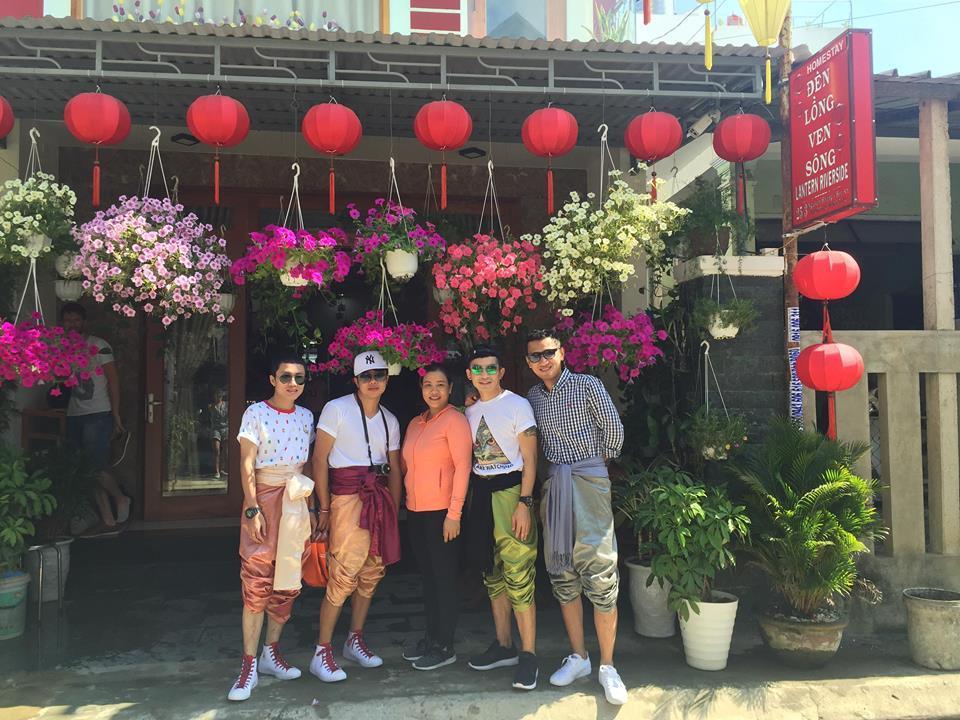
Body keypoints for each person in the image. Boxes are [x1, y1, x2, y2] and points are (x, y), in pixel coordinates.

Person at [525, 329, 628, 706]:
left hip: (589, 481)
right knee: (561, 567)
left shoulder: (586, 385)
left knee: (599, 565)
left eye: (548, 353)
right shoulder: (533, 397)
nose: (542, 360)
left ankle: (608, 665)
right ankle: (579, 657)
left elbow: (614, 431)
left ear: (562, 352)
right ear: (528, 362)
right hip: (555, 483)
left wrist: (593, 467)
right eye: (535, 356)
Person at [311, 350, 402, 682]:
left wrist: (395, 507)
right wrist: (321, 506)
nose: (373, 381)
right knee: (344, 572)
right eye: (366, 376)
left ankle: (355, 638)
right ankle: (322, 651)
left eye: (379, 375)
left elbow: (394, 469)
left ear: (387, 379)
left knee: (372, 572)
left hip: (377, 499)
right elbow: (319, 460)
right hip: (347, 498)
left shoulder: (390, 420)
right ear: (355, 380)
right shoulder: (336, 409)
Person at [229, 355, 316, 702]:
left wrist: (311, 508)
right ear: (272, 379)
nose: (292, 383)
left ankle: (270, 652)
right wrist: (252, 507)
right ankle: (248, 664)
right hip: (264, 500)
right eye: (285, 377)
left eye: (299, 378)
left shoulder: (307, 416)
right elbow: (246, 461)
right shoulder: (256, 414)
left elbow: (305, 462)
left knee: (287, 579)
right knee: (257, 579)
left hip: (295, 502)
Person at [464, 346, 540, 691]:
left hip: (512, 493)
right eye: (477, 369)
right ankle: (504, 644)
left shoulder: (517, 405)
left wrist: (525, 501)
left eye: (490, 368)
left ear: (501, 371)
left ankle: (529, 655)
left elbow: (530, 457)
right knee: (491, 572)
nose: (484, 374)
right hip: (481, 494)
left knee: (518, 571)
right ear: (469, 375)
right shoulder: (469, 411)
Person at [400, 362, 473, 671]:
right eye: (428, 384)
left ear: (450, 389)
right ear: (421, 389)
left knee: (444, 580)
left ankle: (445, 644)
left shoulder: (455, 421)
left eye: (440, 385)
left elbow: (462, 468)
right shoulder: (416, 423)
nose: (434, 390)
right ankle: (431, 637)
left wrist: (454, 514)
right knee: (428, 579)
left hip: (443, 513)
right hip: (416, 512)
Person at [60, 302, 131, 531]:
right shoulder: (62, 347)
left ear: (84, 322)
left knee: (95, 466)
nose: (72, 324)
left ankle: (120, 497)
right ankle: (107, 517)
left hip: (98, 413)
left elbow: (114, 381)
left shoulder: (99, 346)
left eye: (76, 320)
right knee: (84, 468)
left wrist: (116, 414)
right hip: (74, 413)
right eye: (68, 320)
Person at [210, 388, 229, 478]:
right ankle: (216, 471)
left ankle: (222, 469)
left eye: (220, 396)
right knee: (217, 450)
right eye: (217, 396)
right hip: (216, 429)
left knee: (226, 451)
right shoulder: (211, 406)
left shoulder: (226, 405)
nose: (218, 398)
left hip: (225, 428)